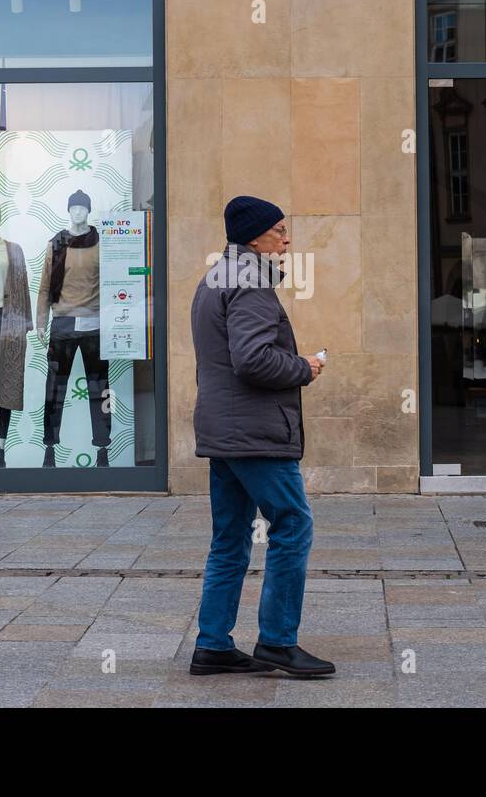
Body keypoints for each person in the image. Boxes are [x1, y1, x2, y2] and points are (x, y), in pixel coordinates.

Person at [187, 195, 334, 678]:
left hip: (225, 431)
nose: (287, 240)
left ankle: (212, 645)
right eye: (279, 232)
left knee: (229, 539)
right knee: (293, 526)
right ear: (254, 238)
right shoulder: (249, 283)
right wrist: (304, 367)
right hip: (254, 434)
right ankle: (277, 641)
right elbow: (252, 360)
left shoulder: (215, 279)